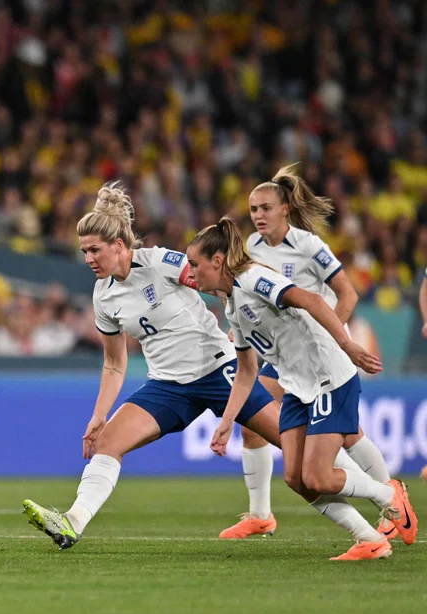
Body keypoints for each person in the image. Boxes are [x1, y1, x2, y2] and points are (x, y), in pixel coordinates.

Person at [22, 182, 286, 550]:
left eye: (95, 250)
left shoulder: (159, 262)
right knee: (109, 441)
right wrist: (100, 415)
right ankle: (72, 522)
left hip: (215, 370)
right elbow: (114, 363)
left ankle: (384, 498)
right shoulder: (103, 297)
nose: (88, 259)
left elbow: (217, 280)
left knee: (295, 445)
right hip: (168, 385)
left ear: (119, 246)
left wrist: (237, 325)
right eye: (84, 252)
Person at [186, 216, 417, 560]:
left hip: (328, 375)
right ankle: (370, 539)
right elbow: (247, 371)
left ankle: (388, 494)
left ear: (217, 262)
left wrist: (347, 345)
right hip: (298, 386)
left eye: (194, 264)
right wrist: (227, 422)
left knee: (319, 475)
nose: (190, 273)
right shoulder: (232, 303)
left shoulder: (254, 279)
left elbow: (311, 300)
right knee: (296, 478)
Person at [223, 165, 396, 540]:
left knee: (347, 435)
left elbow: (347, 293)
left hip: (323, 351)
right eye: (253, 210)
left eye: (266, 208)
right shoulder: (251, 248)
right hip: (284, 353)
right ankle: (260, 513)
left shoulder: (308, 246)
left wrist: (337, 341)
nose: (258, 216)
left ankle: (391, 497)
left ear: (285, 208)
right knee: (251, 418)